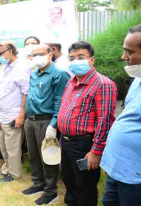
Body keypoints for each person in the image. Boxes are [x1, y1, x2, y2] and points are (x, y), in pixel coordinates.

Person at [57, 41, 117, 206]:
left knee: (85, 187)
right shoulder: (72, 81)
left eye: (81, 57)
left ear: (92, 60)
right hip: (66, 141)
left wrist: (96, 151)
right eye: (72, 58)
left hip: (84, 145)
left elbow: (104, 122)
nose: (75, 61)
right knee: (70, 183)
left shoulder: (103, 84)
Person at [21, 44, 70, 205]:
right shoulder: (35, 74)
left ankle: (50, 191)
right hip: (30, 120)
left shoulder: (59, 74)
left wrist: (53, 124)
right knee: (33, 155)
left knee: (48, 157)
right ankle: (38, 184)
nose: (36, 58)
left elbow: (60, 102)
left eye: (39, 54)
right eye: (33, 55)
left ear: (50, 54)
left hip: (46, 121)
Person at [101, 25, 141, 206]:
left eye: (128, 52)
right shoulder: (137, 79)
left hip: (135, 177)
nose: (123, 57)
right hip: (118, 169)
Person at [0, 40, 30, 183]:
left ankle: (14, 174)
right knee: (3, 145)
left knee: (13, 148)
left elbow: (26, 92)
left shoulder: (21, 67)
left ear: (10, 50)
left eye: (0, 53)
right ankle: (6, 169)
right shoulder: (6, 67)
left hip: (12, 115)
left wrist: (21, 115)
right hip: (1, 115)